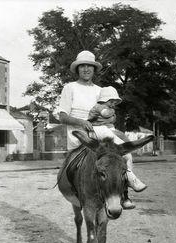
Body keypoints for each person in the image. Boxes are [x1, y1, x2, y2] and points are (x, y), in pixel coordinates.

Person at [56, 50, 146, 209]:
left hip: (101, 131)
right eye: (82, 66)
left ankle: (125, 191)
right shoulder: (70, 88)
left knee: (124, 153)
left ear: (94, 69)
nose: (86, 69)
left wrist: (111, 119)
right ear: (77, 69)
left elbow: (110, 114)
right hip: (79, 133)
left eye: (89, 66)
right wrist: (81, 122)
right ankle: (73, 189)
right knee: (84, 160)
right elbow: (62, 116)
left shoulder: (101, 90)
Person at [88, 86, 147, 192]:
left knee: (125, 146)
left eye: (114, 102)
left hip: (107, 129)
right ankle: (131, 179)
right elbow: (105, 113)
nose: (113, 104)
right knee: (123, 150)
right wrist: (112, 113)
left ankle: (127, 177)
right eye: (111, 101)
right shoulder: (99, 107)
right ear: (104, 99)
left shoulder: (107, 108)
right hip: (99, 129)